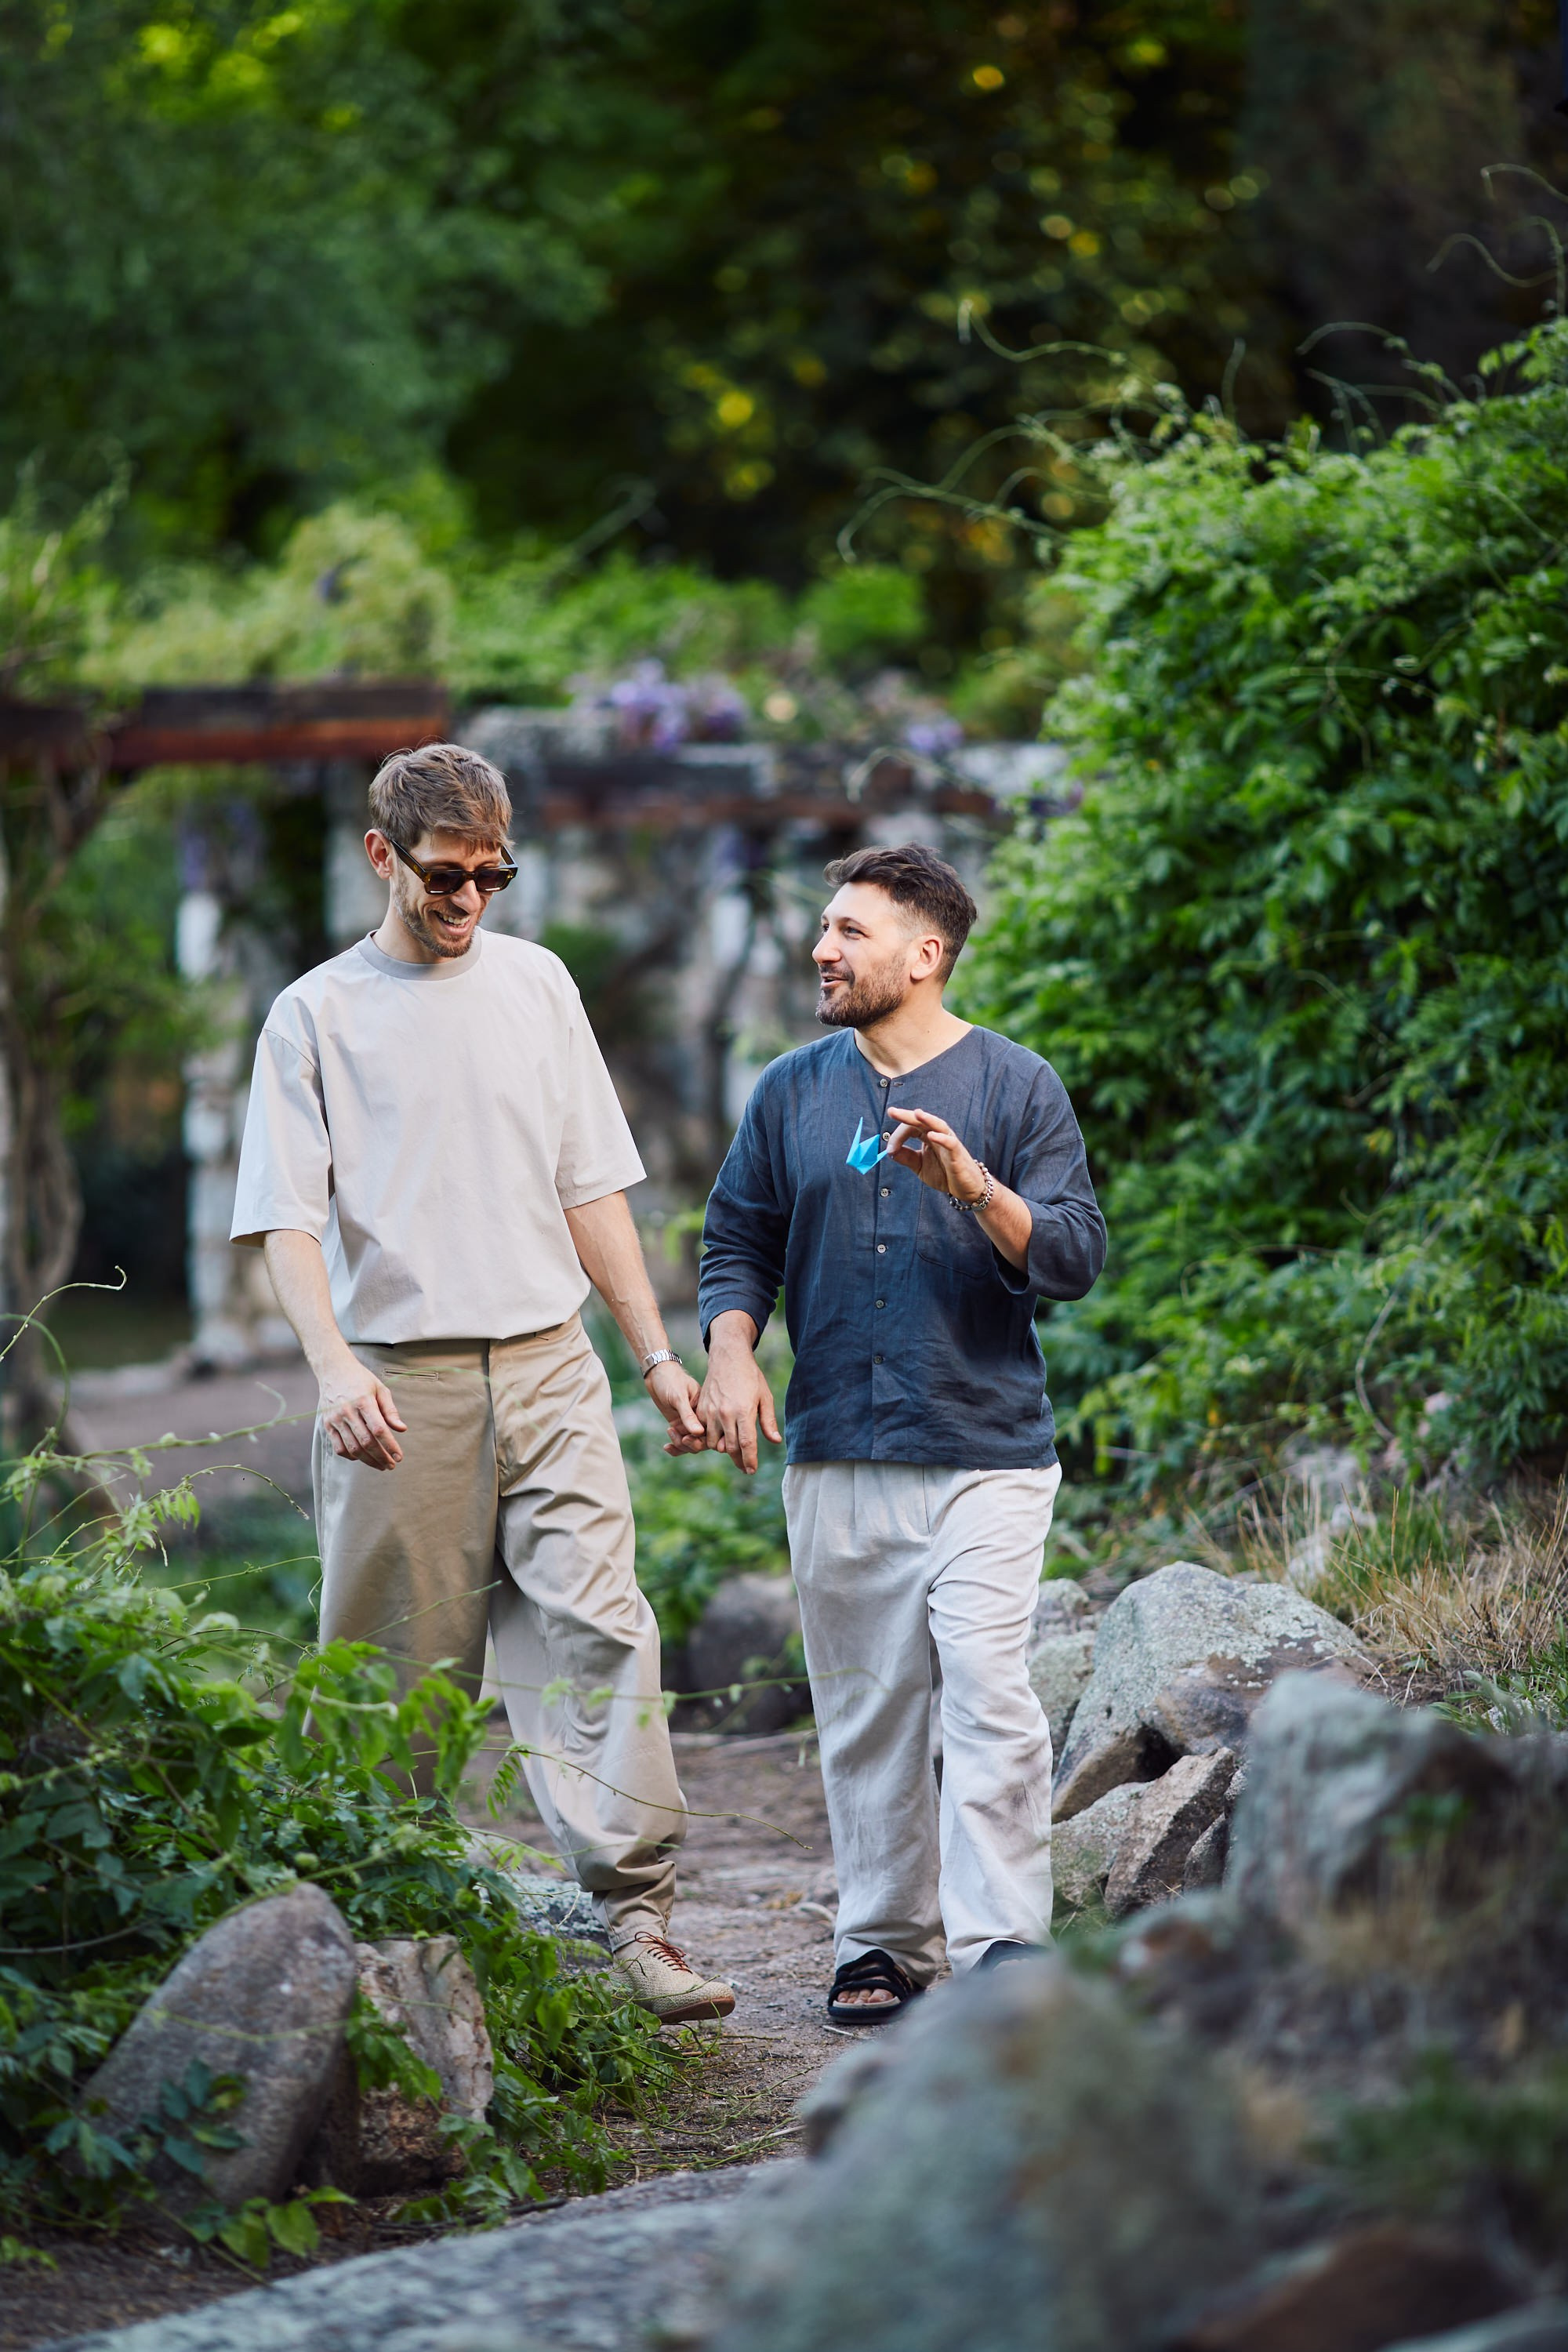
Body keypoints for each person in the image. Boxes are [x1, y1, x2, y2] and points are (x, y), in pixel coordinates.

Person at [230, 741, 733, 2026]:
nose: (467, 903)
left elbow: (590, 1187)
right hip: (400, 1382)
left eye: (492, 877)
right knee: (393, 1675)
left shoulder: (538, 985)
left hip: (554, 1363)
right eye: (443, 878)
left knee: (604, 1628)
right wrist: (334, 1367)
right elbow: (286, 1220)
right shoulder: (315, 1017)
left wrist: (656, 1355)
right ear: (381, 858)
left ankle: (639, 1920)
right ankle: (372, 1938)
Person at [692, 842, 1105, 2021]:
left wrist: (975, 1186)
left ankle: (1001, 1949)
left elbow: (1074, 1256)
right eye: (824, 929)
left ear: (926, 956)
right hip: (835, 1446)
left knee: (986, 1691)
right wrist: (731, 1353)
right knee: (869, 1710)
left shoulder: (1019, 1087)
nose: (822, 949)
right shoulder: (789, 1091)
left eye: (851, 932)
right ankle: (880, 1943)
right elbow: (738, 1243)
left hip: (987, 1447)